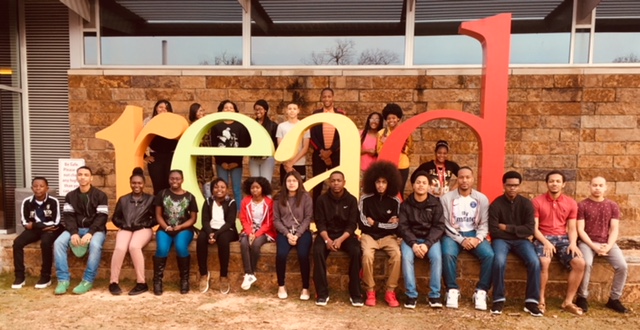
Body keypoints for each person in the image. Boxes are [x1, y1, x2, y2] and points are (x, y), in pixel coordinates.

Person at [488, 171, 543, 316]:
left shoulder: (526, 204)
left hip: (521, 241)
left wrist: (507, 227)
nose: (512, 188)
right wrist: (517, 231)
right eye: (509, 185)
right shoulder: (496, 204)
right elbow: (494, 231)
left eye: (515, 186)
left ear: (519, 186)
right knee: (498, 261)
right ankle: (498, 299)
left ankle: (531, 302)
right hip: (501, 240)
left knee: (534, 262)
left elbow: (529, 229)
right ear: (504, 186)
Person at [440, 166, 494, 310]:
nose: (464, 180)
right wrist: (461, 240)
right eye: (461, 177)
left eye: (467, 177)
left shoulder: (481, 199)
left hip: (474, 233)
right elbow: (445, 224)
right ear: (457, 179)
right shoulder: (446, 199)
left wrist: (478, 238)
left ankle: (481, 291)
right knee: (447, 254)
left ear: (472, 179)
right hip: (453, 235)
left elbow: (484, 223)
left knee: (489, 255)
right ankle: (452, 289)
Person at [532, 170, 585, 315]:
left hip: (563, 239)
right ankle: (540, 299)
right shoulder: (537, 202)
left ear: (563, 184)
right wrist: (546, 242)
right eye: (551, 181)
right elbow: (534, 229)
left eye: (557, 181)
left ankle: (568, 302)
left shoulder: (571, 203)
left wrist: (573, 243)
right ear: (546, 183)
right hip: (542, 237)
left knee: (580, 263)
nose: (554, 184)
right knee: (543, 262)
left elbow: (572, 228)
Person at [576, 176, 629, 313]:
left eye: (600, 185)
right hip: (587, 242)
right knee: (586, 263)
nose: (597, 188)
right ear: (589, 186)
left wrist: (609, 245)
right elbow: (580, 230)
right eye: (594, 185)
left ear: (606, 187)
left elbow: (614, 228)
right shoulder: (582, 205)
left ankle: (614, 299)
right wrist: (594, 247)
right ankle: (582, 297)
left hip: (607, 242)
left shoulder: (612, 205)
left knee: (622, 266)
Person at [54, 166, 108, 295]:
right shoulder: (70, 196)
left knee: (95, 245)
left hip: (96, 230)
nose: (82, 177)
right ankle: (63, 280)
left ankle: (87, 281)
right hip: (75, 229)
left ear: (91, 178)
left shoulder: (100, 195)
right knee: (58, 243)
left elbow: (102, 217)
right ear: (77, 177)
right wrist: (73, 233)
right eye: (80, 174)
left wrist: (90, 233)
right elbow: (68, 216)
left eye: (86, 174)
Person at [312, 171, 363, 307]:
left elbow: (352, 224)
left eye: (338, 180)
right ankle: (322, 293)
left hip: (345, 235)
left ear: (344, 182)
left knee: (357, 251)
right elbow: (320, 222)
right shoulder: (321, 200)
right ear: (329, 182)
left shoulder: (351, 200)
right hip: (326, 235)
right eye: (333, 180)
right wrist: (327, 240)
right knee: (317, 251)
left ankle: (355, 293)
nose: (336, 183)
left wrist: (340, 239)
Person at [398, 171, 445, 309]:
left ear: (429, 187)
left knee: (437, 257)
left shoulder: (436, 204)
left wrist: (427, 244)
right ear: (413, 185)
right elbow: (403, 227)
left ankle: (434, 295)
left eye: (424, 183)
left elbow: (439, 226)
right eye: (418, 182)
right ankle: (411, 295)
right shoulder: (406, 205)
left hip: (430, 239)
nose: (421, 185)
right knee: (406, 258)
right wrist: (413, 244)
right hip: (411, 239)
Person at [359, 161, 402, 307]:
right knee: (367, 256)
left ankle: (390, 291)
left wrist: (376, 224)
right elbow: (363, 223)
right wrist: (385, 225)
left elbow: (395, 225)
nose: (381, 185)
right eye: (378, 182)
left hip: (388, 238)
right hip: (368, 236)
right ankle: (370, 290)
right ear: (373, 182)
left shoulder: (395, 201)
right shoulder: (365, 199)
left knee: (397, 255)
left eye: (384, 182)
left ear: (390, 183)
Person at [108, 167, 156, 296]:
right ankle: (113, 282)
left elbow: (156, 217)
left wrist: (145, 223)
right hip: (126, 228)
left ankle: (142, 283)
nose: (136, 185)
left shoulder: (150, 199)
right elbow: (115, 217)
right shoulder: (123, 200)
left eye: (139, 183)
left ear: (144, 184)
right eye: (134, 183)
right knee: (120, 248)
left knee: (134, 246)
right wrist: (124, 224)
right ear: (130, 183)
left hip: (143, 229)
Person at [12, 177, 63, 289]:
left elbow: (56, 222)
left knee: (45, 243)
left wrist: (35, 224)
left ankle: (46, 276)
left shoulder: (53, 201)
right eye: (35, 186)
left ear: (47, 188)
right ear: (32, 188)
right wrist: (39, 226)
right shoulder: (27, 202)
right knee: (17, 243)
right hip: (34, 230)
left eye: (41, 186)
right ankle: (19, 276)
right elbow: (25, 222)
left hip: (50, 230)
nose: (38, 189)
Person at [153, 169, 198, 295]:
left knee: (180, 247)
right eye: (172, 178)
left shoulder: (189, 197)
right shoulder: (162, 194)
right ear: (169, 179)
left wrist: (181, 226)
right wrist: (166, 227)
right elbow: (158, 215)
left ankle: (184, 280)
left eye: (177, 178)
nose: (175, 181)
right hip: (165, 229)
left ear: (182, 180)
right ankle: (157, 281)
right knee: (162, 249)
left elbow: (193, 218)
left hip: (184, 229)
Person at [273, 171, 313, 300]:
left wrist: (298, 234)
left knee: (303, 254)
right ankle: (281, 285)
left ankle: (305, 288)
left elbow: (308, 218)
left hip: (302, 232)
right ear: (285, 183)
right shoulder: (279, 198)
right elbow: (276, 220)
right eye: (289, 181)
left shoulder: (306, 197)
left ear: (299, 182)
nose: (291, 183)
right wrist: (287, 234)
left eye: (294, 181)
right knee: (281, 254)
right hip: (285, 232)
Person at [196, 178, 239, 294]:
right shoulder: (208, 201)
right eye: (216, 187)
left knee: (223, 241)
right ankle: (204, 274)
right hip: (210, 229)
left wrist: (216, 234)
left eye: (222, 187)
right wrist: (210, 233)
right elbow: (204, 221)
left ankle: (224, 276)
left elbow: (230, 222)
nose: (219, 189)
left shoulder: (231, 202)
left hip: (226, 230)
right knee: (200, 239)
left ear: (227, 189)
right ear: (212, 189)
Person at [211, 100, 251, 210]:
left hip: (236, 164)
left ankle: (239, 212)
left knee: (237, 188)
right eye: (226, 107)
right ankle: (223, 211)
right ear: (221, 110)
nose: (228, 109)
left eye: (231, 107)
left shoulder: (240, 126)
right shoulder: (216, 125)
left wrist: (236, 162)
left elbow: (243, 145)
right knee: (221, 189)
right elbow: (214, 145)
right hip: (221, 164)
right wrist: (220, 162)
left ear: (235, 110)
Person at [309, 88, 346, 201]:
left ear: (333, 98)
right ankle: (315, 213)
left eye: (329, 96)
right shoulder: (316, 114)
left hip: (335, 154)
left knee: (336, 184)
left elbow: (343, 135)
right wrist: (322, 152)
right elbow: (312, 135)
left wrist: (330, 152)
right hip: (319, 155)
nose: (327, 98)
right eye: (324, 96)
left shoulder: (341, 114)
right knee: (317, 185)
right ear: (321, 98)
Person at [239, 176, 275, 291]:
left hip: (265, 231)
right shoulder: (245, 201)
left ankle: (250, 273)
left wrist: (257, 234)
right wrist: (250, 232)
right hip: (249, 229)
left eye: (257, 188)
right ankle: (249, 273)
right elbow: (243, 219)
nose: (254, 190)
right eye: (252, 188)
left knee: (256, 244)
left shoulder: (269, 203)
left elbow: (269, 223)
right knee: (244, 243)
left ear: (263, 188)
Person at [377, 103, 413, 193]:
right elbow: (379, 152)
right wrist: (386, 144)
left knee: (399, 191)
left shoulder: (405, 132)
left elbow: (410, 149)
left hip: (402, 165)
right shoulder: (381, 133)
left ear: (398, 119)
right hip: (387, 166)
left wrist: (389, 142)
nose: (391, 120)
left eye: (393, 118)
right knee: (387, 190)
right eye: (388, 118)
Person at [145, 100, 178, 195]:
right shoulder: (149, 121)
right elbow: (140, 139)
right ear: (156, 109)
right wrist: (144, 156)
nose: (163, 110)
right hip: (155, 157)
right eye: (161, 107)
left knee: (171, 185)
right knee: (158, 187)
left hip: (171, 157)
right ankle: (158, 209)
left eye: (166, 108)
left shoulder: (174, 121)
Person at [276, 102, 310, 181]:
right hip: (285, 164)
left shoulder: (304, 125)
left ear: (298, 111)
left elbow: (305, 147)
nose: (292, 111)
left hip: (300, 163)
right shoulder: (281, 126)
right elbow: (280, 147)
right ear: (286, 111)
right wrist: (287, 164)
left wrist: (292, 163)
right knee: (285, 189)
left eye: (294, 109)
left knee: (300, 189)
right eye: (289, 109)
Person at [188, 102, 214, 198]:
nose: (202, 112)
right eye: (199, 111)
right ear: (194, 113)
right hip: (195, 161)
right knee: (195, 187)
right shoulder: (191, 126)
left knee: (208, 189)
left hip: (206, 161)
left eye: (202, 110)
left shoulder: (208, 125)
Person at [249, 99, 278, 184]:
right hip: (254, 158)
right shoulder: (251, 124)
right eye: (256, 109)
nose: (258, 111)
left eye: (260, 109)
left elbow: (275, 142)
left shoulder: (273, 125)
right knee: (255, 183)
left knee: (266, 183)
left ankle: (266, 198)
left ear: (265, 110)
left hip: (267, 158)